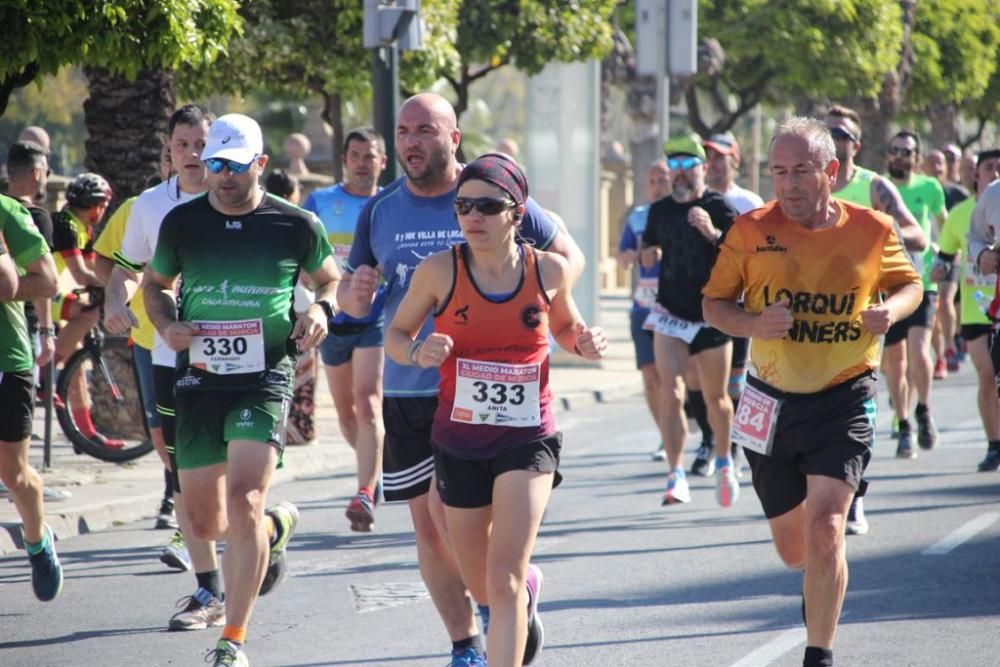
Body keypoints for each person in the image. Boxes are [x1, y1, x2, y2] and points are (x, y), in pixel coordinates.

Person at [338, 92, 584, 667]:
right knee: (431, 531)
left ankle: (506, 599)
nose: (411, 142)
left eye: (425, 130)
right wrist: (354, 295)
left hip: (496, 393)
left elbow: (565, 254)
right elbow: (356, 295)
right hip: (410, 386)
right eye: (402, 131)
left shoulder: (490, 191)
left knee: (484, 533)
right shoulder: (379, 209)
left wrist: (536, 296)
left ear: (453, 137)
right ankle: (466, 642)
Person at [703, 117, 922, 667]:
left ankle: (818, 652)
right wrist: (753, 325)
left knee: (827, 528)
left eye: (801, 170)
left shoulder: (871, 229)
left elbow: (909, 284)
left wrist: (888, 313)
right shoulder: (750, 230)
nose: (789, 183)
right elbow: (714, 305)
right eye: (779, 171)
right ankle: (819, 586)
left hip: (844, 395)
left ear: (830, 171)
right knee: (794, 549)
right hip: (769, 399)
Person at [386, 154, 606, 667]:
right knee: (481, 582)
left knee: (502, 579)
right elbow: (396, 336)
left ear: (517, 211)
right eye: (464, 206)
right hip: (459, 440)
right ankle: (527, 591)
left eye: (487, 205)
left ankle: (513, 608)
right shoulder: (439, 271)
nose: (473, 217)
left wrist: (584, 341)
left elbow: (566, 328)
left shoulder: (546, 270)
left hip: (527, 438)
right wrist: (417, 351)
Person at [143, 113, 339, 667]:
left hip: (265, 375)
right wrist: (165, 323)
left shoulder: (296, 224)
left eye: (234, 165)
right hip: (200, 378)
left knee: (246, 498)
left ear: (260, 165)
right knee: (205, 522)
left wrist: (322, 309)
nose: (223, 176)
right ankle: (274, 528)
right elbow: (153, 285)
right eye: (214, 165)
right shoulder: (182, 224)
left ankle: (233, 638)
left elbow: (330, 278)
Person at [104, 104, 224, 630]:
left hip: (232, 359)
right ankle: (208, 588)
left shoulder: (236, 195)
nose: (194, 155)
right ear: (169, 151)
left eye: (202, 143)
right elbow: (125, 270)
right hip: (166, 353)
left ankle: (265, 531)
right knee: (180, 468)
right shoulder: (149, 206)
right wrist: (115, 301)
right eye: (183, 145)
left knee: (230, 474)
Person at [824, 105, 928, 535]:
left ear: (856, 144)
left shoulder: (874, 187)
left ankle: (855, 493)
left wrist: (872, 236)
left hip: (864, 316)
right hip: (816, 317)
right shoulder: (809, 185)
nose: (834, 139)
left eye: (842, 134)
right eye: (827, 132)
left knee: (854, 407)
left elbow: (918, 234)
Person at [639, 134, 740, 507]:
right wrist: (646, 254)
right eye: (674, 167)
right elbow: (648, 246)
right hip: (671, 313)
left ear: (702, 169)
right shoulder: (660, 210)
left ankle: (726, 461)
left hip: (713, 314)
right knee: (673, 392)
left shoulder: (719, 205)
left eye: (687, 166)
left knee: (716, 399)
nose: (679, 174)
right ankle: (675, 473)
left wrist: (712, 233)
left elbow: (739, 253)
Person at [303, 127, 388, 532]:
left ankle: (366, 491)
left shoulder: (389, 205)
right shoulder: (321, 202)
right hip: (333, 319)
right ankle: (375, 468)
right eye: (354, 155)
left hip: (375, 318)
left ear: (382, 162)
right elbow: (302, 253)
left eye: (369, 156)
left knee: (368, 401)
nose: (361, 163)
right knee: (346, 413)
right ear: (344, 161)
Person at [93, 142, 176, 531]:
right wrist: (116, 300)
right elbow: (108, 262)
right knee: (159, 428)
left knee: (192, 422)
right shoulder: (138, 207)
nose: (178, 161)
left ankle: (178, 501)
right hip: (148, 336)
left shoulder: (215, 204)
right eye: (170, 154)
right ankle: (177, 490)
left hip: (200, 335)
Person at [693, 131, 766, 475]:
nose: (714, 163)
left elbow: (760, 252)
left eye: (721, 156)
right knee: (698, 382)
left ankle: (731, 445)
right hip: (697, 304)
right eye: (709, 156)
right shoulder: (692, 199)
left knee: (734, 383)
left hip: (737, 304)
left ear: (735, 161)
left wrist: (712, 233)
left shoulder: (749, 203)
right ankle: (712, 437)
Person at [0, 194, 61, 601]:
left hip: (7, 358)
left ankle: (38, 542)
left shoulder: (7, 212)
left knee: (14, 474)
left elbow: (50, 282)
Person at [933, 149, 1000, 471]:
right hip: (977, 309)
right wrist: (941, 270)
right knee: (987, 375)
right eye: (989, 167)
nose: (994, 173)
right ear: (977, 174)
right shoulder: (962, 212)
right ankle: (994, 445)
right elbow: (947, 255)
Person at [884, 130, 947, 450]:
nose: (899, 156)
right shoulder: (879, 187)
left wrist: (946, 257)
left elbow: (944, 225)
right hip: (888, 283)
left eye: (906, 151)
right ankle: (903, 421)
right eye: (894, 150)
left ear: (916, 157)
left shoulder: (930, 187)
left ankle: (923, 410)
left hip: (923, 280)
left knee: (920, 348)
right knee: (894, 361)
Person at [51, 174, 124, 448]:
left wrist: (115, 285)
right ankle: (45, 372)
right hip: (38, 297)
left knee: (77, 369)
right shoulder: (65, 223)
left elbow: (96, 271)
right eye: (104, 206)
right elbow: (81, 275)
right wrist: (112, 289)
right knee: (87, 313)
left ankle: (88, 436)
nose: (104, 212)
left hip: (53, 294)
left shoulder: (85, 229)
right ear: (96, 205)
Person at [616, 160, 669, 461]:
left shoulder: (683, 213)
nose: (658, 184)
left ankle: (685, 424)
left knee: (675, 376)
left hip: (675, 309)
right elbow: (622, 257)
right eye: (653, 180)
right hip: (642, 307)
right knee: (650, 378)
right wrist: (636, 256)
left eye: (663, 179)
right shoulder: (637, 218)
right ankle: (666, 434)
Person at [6, 141, 56, 371]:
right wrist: (47, 331)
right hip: (23, 325)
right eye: (47, 172)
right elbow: (45, 279)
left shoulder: (4, 211)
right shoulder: (35, 217)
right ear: (37, 173)